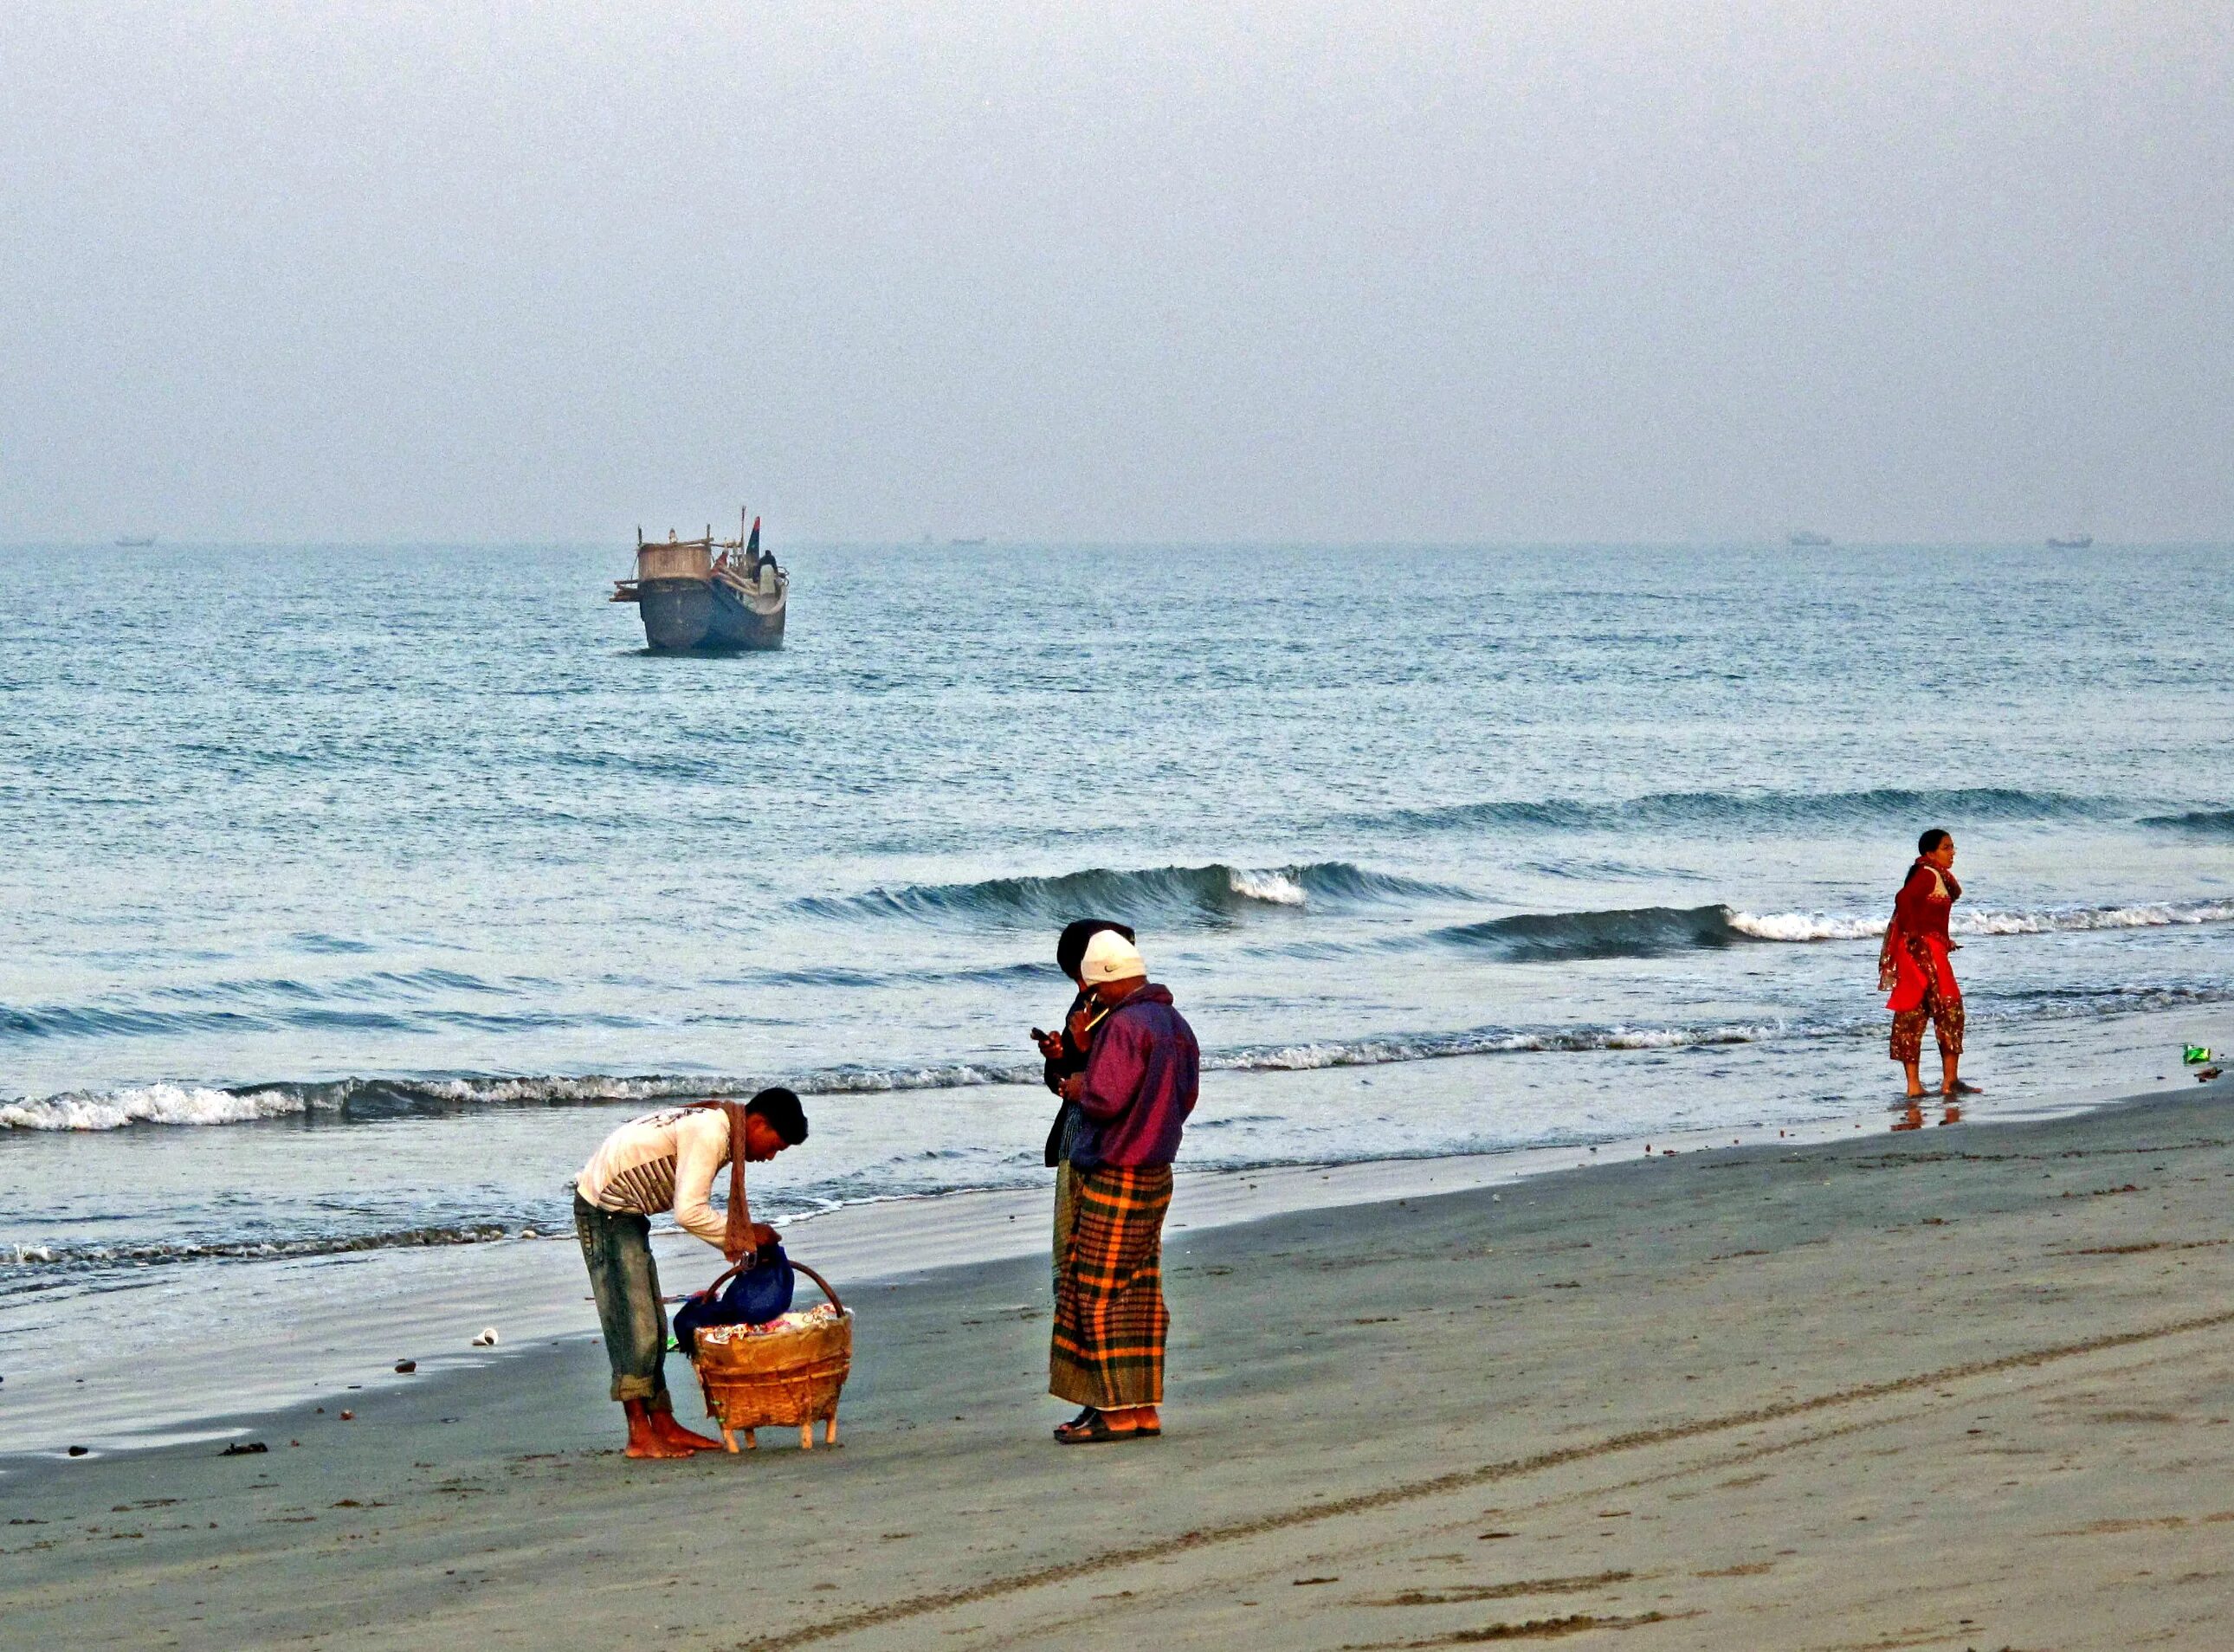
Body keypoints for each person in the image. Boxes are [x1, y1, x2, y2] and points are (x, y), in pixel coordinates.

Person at [573, 1087, 810, 1457]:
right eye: (774, 1146)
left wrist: (742, 1234)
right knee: (632, 1324)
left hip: (626, 1214)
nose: (770, 1156)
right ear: (758, 1123)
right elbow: (690, 1212)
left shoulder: (719, 1124)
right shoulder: (712, 1132)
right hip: (606, 1209)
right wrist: (747, 1235)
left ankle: (664, 1423)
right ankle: (639, 1435)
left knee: (652, 1323)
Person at [1049, 930, 1198, 1444]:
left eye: (1094, 989)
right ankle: (1143, 1409)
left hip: (1116, 1172)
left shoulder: (1126, 1025)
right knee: (1139, 1292)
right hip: (1157, 1172)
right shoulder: (1175, 1024)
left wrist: (1076, 1082)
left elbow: (1107, 1098)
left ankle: (1113, 1412)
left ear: (1109, 979)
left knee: (1094, 1293)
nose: (1092, 998)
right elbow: (1187, 1096)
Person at [1033, 919, 1138, 1297]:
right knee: (1075, 1249)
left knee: (1077, 1250)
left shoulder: (1125, 1010)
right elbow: (1064, 1079)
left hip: (1101, 1144)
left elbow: (1118, 1078)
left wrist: (1083, 1053)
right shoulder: (1089, 1004)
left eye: (1083, 975)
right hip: (1086, 1139)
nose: (1081, 988)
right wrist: (1059, 1056)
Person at [1880, 829, 1976, 1114]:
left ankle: (1915, 1087)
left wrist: (1939, 938)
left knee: (1913, 1012)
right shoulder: (1929, 874)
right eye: (1947, 848)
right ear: (1930, 853)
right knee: (1950, 1008)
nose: (1953, 852)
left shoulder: (1933, 874)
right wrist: (1916, 934)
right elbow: (1904, 899)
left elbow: (1918, 910)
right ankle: (1949, 1081)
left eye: (1953, 847)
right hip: (1926, 953)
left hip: (1920, 952)